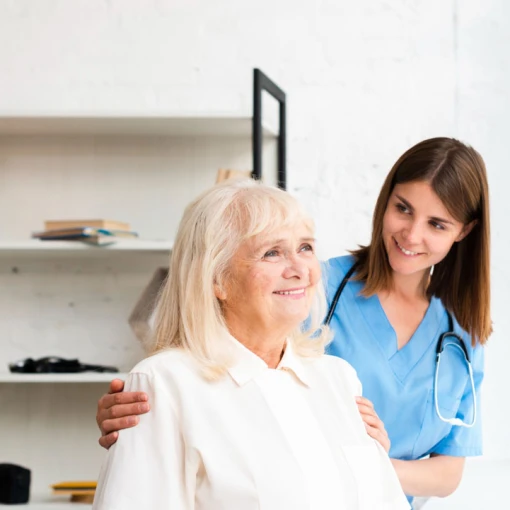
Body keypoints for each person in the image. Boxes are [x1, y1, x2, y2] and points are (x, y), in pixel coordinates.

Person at [96, 137, 490, 508]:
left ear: (464, 231)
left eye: (437, 224)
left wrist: (366, 461)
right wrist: (153, 404)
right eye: (403, 208)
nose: (412, 233)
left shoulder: (450, 335)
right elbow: (204, 338)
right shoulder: (312, 286)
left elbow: (449, 469)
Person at [92, 179, 409, 510]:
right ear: (217, 279)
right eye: (272, 253)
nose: (300, 269)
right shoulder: (164, 384)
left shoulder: (339, 379)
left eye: (305, 248)